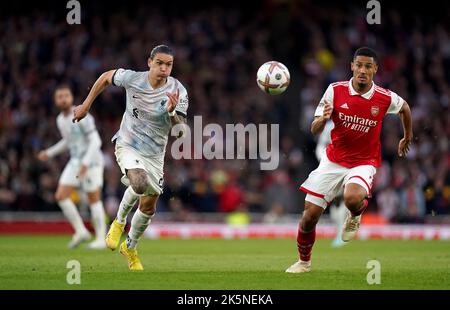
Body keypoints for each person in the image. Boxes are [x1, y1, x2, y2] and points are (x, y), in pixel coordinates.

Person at [286, 47, 413, 273]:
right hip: (333, 161)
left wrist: (407, 135)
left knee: (352, 198)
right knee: (309, 217)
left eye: (368, 66)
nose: (363, 70)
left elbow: (404, 108)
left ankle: (354, 216)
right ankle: (303, 262)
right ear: (352, 66)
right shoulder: (334, 91)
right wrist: (322, 120)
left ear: (375, 69)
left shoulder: (384, 97)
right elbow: (314, 129)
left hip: (364, 162)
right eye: (359, 65)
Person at [72, 45, 189, 270]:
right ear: (150, 63)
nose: (164, 68)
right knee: (139, 181)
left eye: (169, 64)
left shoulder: (178, 90)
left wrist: (173, 113)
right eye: (160, 63)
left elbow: (182, 132)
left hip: (155, 154)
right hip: (128, 144)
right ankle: (118, 221)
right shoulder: (133, 79)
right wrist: (86, 105)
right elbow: (106, 77)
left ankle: (131, 247)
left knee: (148, 207)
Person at [37, 85, 106, 249]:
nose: (63, 99)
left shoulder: (82, 114)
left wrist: (85, 163)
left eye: (66, 95)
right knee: (61, 195)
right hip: (75, 161)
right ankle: (81, 231)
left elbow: (96, 141)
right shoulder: (60, 120)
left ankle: (101, 239)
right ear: (55, 101)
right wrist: (50, 152)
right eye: (60, 96)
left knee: (93, 198)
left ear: (71, 97)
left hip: (92, 162)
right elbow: (68, 141)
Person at [315, 120, 347, 248]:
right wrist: (325, 160)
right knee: (334, 201)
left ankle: (341, 234)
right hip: (331, 167)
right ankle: (339, 233)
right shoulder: (329, 127)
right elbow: (320, 147)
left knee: (343, 198)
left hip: (347, 166)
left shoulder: (352, 123)